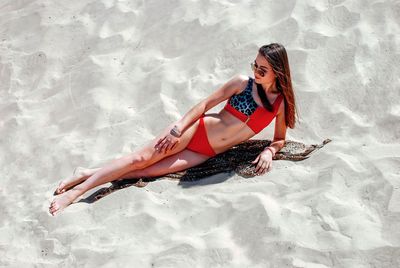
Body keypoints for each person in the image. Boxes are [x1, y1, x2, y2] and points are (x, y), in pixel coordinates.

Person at [49, 43, 297, 216]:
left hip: (203, 153)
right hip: (194, 131)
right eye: (254, 65)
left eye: (262, 70)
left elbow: (279, 139)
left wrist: (269, 152)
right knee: (139, 159)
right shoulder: (242, 83)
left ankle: (86, 172)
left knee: (142, 172)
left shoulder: (279, 104)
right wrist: (178, 127)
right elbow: (204, 105)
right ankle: (77, 192)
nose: (255, 72)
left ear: (278, 72)